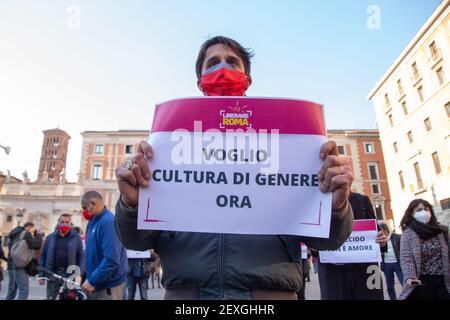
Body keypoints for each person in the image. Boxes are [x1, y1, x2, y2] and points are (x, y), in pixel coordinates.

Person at [114, 36, 354, 300]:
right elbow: (136, 241)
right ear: (200, 80)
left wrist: (335, 207)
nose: (223, 68)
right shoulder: (167, 144)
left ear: (247, 79)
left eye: (232, 62)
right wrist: (132, 205)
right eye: (213, 62)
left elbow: (328, 241)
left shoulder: (288, 141)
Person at [317, 192, 387, 300]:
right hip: (334, 273)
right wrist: (312, 247)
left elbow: (376, 232)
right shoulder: (318, 202)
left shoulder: (363, 200)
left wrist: (382, 241)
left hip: (367, 270)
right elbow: (313, 241)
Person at [398, 199, 449, 300]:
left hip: (444, 280)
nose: (423, 212)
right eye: (419, 210)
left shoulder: (441, 231)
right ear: (412, 214)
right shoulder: (408, 234)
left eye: (426, 209)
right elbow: (406, 258)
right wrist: (410, 277)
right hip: (422, 281)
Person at [81, 191, 128, 300]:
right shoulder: (92, 222)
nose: (84, 211)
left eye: (84, 207)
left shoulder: (108, 222)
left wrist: (92, 280)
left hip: (108, 287)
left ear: (93, 203)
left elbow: (112, 259)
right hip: (95, 284)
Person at [38, 214, 85, 299]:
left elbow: (81, 256)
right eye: (62, 222)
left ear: (70, 224)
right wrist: (41, 275)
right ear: (58, 223)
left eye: (67, 222)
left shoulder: (76, 237)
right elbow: (43, 255)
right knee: (51, 297)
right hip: (53, 274)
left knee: (67, 297)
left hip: (70, 275)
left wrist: (80, 274)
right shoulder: (50, 237)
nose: (64, 224)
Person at [5, 222, 43, 300]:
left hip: (11, 265)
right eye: (33, 229)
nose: (33, 232)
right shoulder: (25, 233)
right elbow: (37, 245)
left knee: (11, 291)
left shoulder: (14, 234)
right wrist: (38, 234)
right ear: (29, 227)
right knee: (23, 290)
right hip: (20, 265)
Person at [379, 222, 403, 300]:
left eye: (381, 231)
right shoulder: (379, 240)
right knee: (389, 286)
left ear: (385, 230)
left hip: (398, 263)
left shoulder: (397, 237)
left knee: (404, 283)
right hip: (387, 265)